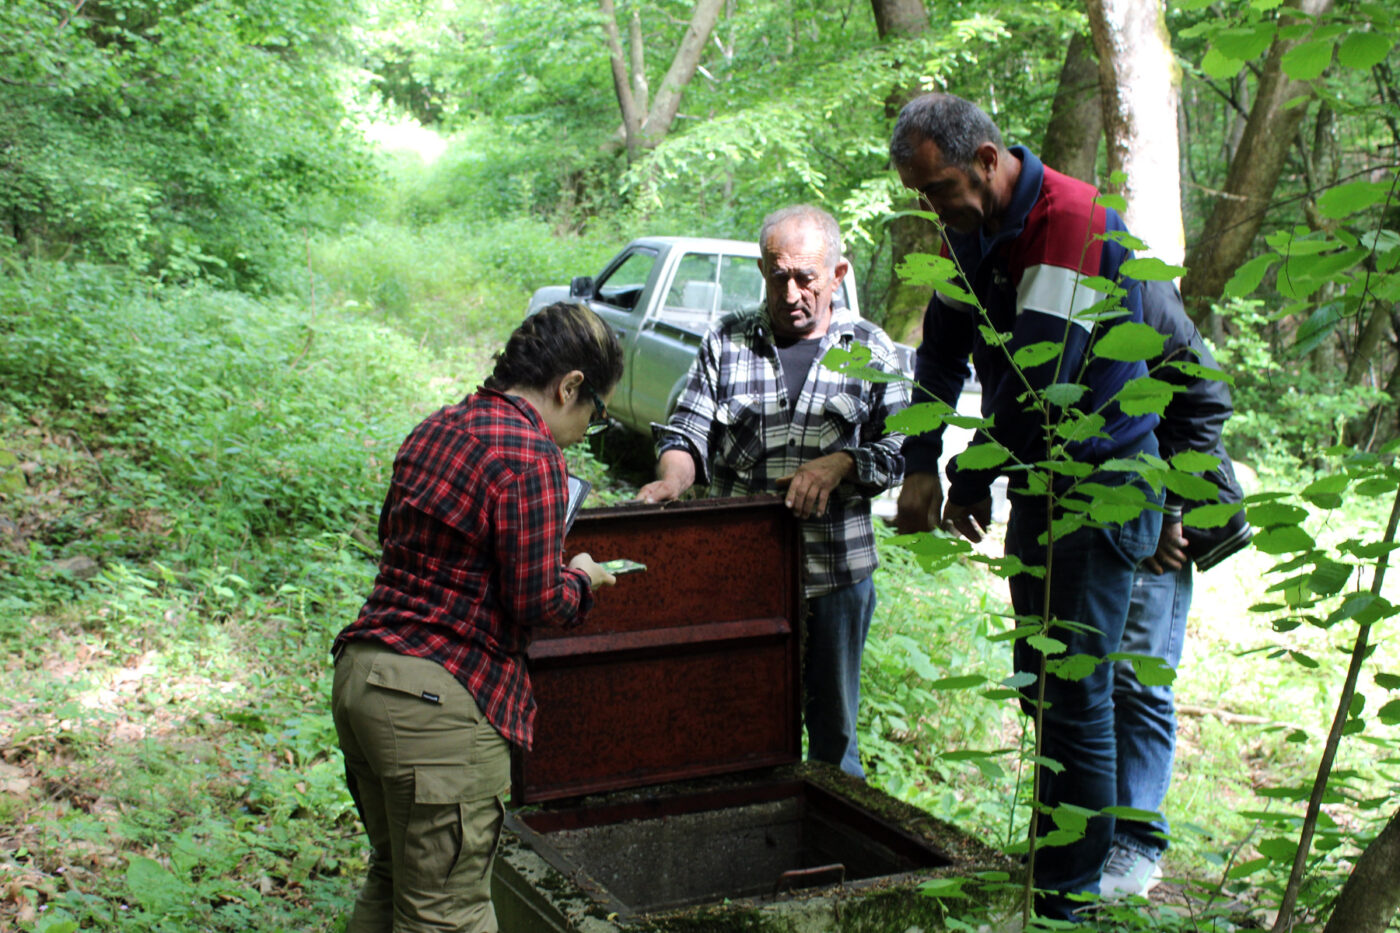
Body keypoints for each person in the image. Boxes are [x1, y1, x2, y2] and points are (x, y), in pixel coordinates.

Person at [888, 93, 1163, 920]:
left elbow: (1041, 386)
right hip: (1041, 488)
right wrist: (917, 462)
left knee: (1076, 688)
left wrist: (967, 479)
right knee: (1041, 681)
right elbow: (938, 354)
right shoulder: (969, 233)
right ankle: (1056, 854)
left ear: (986, 158)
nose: (933, 208)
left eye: (937, 188)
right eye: (921, 195)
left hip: (1101, 483)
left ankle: (1068, 891)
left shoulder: (1067, 220)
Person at [330, 302, 623, 933]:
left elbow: (399, 541)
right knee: (449, 913)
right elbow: (536, 601)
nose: (587, 428)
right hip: (437, 706)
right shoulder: (531, 453)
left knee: (393, 880)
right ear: (570, 386)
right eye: (595, 413)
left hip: (361, 680)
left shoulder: (436, 428)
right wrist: (584, 579)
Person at [637, 204, 910, 779]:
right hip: (743, 577)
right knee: (742, 725)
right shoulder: (727, 339)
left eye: (805, 277)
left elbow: (898, 453)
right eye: (777, 275)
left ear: (837, 274)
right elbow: (688, 429)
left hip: (836, 575)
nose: (790, 292)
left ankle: (835, 851)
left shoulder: (871, 348)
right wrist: (673, 477)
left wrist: (840, 464)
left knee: (834, 738)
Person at [1100, 280, 1254, 898]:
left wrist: (1167, 507)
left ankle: (1137, 844)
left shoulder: (1132, 282)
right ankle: (1090, 833)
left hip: (1161, 517)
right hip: (1092, 506)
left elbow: (1206, 395)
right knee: (1091, 677)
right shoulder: (1021, 272)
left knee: (1140, 677)